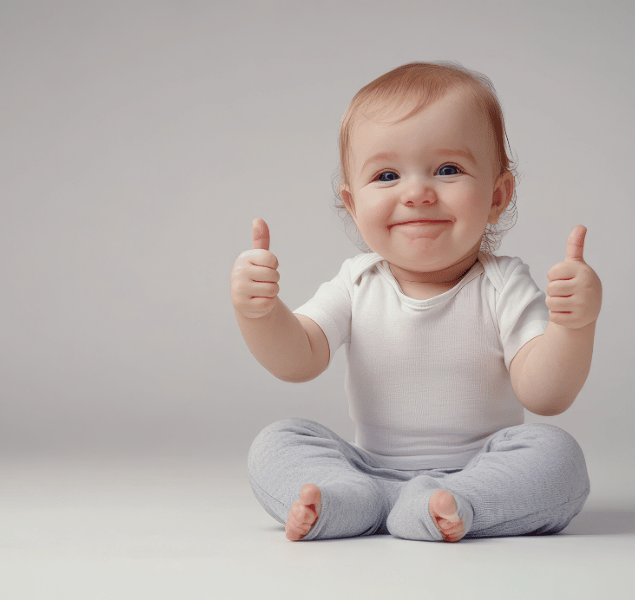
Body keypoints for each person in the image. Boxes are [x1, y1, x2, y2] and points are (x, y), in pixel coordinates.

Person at [230, 62, 602, 542]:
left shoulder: (503, 284)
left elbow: (545, 396)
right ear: (353, 204)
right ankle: (348, 498)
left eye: (448, 170)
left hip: (482, 469)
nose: (417, 193)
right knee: (277, 441)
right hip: (369, 469)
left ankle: (454, 505)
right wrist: (259, 313)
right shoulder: (357, 282)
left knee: (557, 454)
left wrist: (573, 326)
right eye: (387, 175)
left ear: (497, 195)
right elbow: (298, 359)